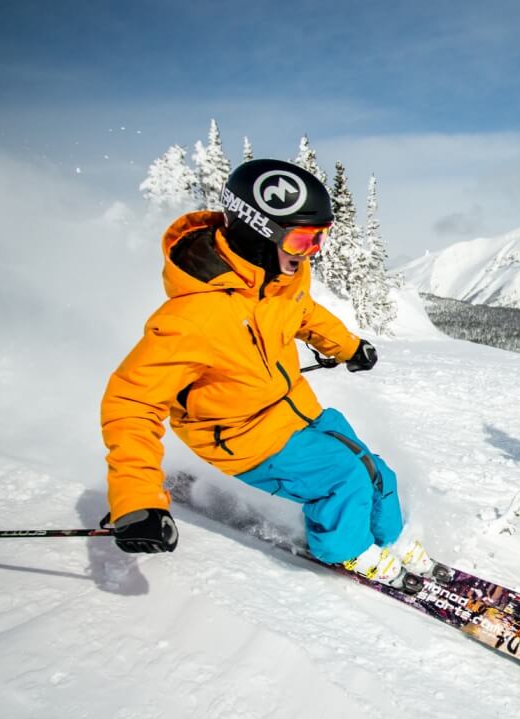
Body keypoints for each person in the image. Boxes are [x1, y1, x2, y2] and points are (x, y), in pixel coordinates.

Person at [100, 157, 425, 582]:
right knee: (344, 478)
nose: (312, 253)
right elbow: (130, 404)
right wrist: (136, 501)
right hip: (243, 437)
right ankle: (347, 550)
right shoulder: (191, 318)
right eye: (302, 241)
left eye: (319, 240)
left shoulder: (281, 279)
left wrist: (348, 347)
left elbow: (303, 313)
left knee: (376, 470)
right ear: (257, 232)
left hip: (298, 412)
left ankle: (391, 540)